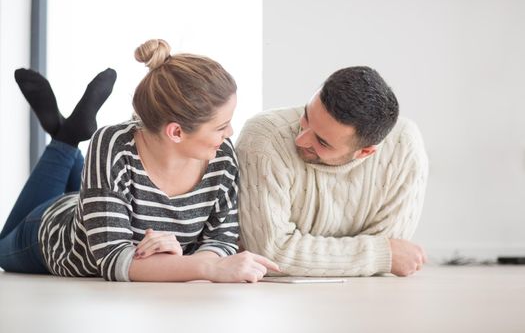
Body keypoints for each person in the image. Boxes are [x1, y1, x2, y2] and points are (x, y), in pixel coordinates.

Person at [0, 39, 278, 282]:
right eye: (221, 126)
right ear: (176, 132)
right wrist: (207, 268)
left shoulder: (222, 154)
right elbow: (112, 258)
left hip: (101, 203)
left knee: (94, 191)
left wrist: (188, 264)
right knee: (2, 248)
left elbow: (221, 238)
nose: (230, 133)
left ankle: (66, 133)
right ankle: (66, 141)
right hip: (56, 233)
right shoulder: (113, 144)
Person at [236, 66, 428, 277]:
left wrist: (308, 255)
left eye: (322, 142)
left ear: (365, 152)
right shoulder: (266, 137)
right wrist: (379, 255)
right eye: (307, 116)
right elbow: (268, 252)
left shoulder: (403, 146)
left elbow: (390, 240)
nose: (301, 139)